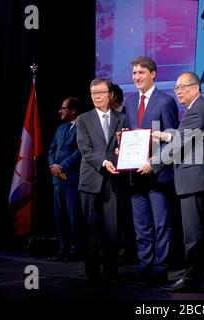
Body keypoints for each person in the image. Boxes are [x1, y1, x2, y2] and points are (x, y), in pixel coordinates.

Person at [153, 71, 204, 292]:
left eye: (183, 86)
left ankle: (191, 279)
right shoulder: (197, 109)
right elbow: (183, 136)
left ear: (196, 88)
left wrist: (153, 164)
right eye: (176, 87)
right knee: (201, 232)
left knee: (194, 234)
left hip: (193, 178)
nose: (178, 91)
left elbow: (180, 143)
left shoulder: (196, 110)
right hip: (196, 179)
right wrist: (165, 135)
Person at [124, 56, 179, 286]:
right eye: (134, 73)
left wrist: (154, 163)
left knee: (161, 223)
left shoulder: (165, 101)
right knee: (141, 225)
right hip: (135, 174)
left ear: (153, 74)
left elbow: (173, 140)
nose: (137, 77)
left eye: (141, 73)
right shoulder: (128, 102)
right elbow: (130, 134)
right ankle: (145, 265)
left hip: (157, 174)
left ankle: (161, 267)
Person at [76, 77, 127, 284]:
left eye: (101, 92)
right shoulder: (83, 119)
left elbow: (123, 146)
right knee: (91, 229)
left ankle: (111, 271)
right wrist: (104, 162)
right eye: (93, 93)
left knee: (112, 230)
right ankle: (92, 271)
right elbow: (85, 149)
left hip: (113, 180)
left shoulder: (121, 118)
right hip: (91, 179)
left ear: (110, 94)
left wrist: (120, 150)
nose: (97, 96)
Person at [48, 97, 82, 262]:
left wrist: (62, 167)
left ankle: (75, 250)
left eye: (64, 108)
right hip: (58, 180)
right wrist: (53, 167)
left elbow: (79, 151)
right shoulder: (60, 128)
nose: (60, 111)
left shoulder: (82, 127)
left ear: (73, 110)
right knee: (59, 216)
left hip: (72, 179)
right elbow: (52, 150)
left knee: (73, 216)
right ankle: (63, 249)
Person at [109, 83, 136, 264]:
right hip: (110, 170)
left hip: (128, 172)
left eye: (105, 92)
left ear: (113, 95)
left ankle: (128, 249)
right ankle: (115, 247)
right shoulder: (103, 117)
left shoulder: (128, 113)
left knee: (127, 213)